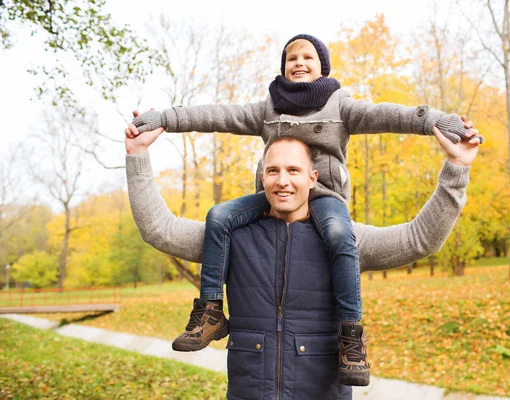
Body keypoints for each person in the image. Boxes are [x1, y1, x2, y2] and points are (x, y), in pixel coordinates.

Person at [125, 34, 483, 386]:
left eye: (294, 170)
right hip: (252, 393)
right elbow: (214, 121)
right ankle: (210, 311)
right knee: (217, 214)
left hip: (321, 382)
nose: (283, 181)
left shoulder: (344, 233)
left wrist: (452, 157)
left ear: (311, 176)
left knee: (340, 233)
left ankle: (351, 336)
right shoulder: (236, 236)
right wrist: (152, 135)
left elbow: (420, 237)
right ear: (262, 175)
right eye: (274, 170)